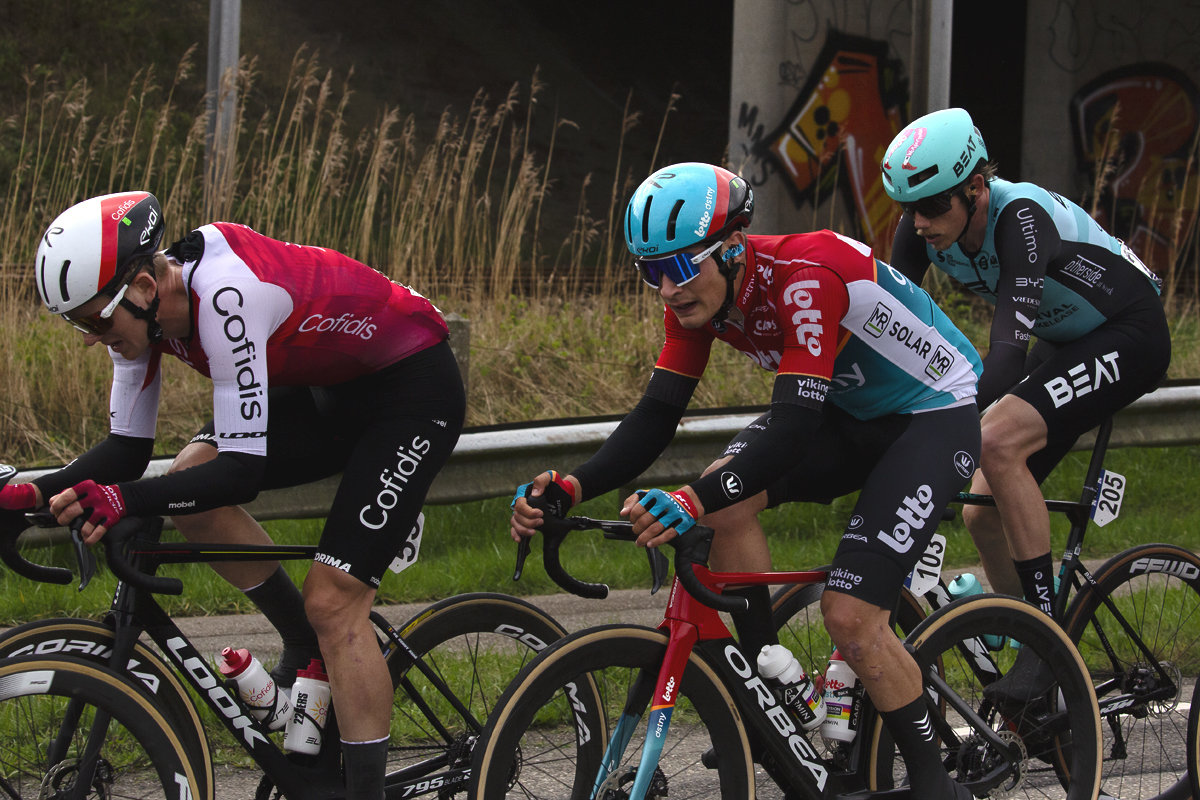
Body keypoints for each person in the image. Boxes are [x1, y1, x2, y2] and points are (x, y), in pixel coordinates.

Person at [511, 162, 981, 800]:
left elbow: (791, 427)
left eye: (677, 267)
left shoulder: (804, 279)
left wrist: (687, 499)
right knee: (719, 499)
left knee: (849, 613)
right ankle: (773, 693)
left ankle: (935, 783)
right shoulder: (697, 299)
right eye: (650, 272)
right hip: (852, 412)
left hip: (932, 416)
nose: (666, 290)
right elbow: (656, 417)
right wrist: (572, 485)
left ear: (731, 249)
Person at [0, 192, 465, 800]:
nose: (92, 339)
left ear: (143, 287)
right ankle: (303, 644)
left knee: (334, 602)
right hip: (332, 392)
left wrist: (124, 501)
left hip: (410, 391)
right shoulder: (143, 314)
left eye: (94, 321)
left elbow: (241, 474)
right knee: (191, 472)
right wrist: (28, 494)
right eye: (77, 323)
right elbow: (126, 452)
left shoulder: (224, 295)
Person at [881, 108, 1170, 617]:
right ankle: (1024, 628)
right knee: (983, 514)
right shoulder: (922, 230)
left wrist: (941, 422)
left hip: (1130, 331)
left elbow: (1007, 358)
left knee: (997, 439)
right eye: (907, 208)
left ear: (974, 188)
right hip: (1067, 340)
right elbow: (885, 329)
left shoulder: (1020, 218)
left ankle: (1049, 646)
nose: (919, 222)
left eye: (930, 204)